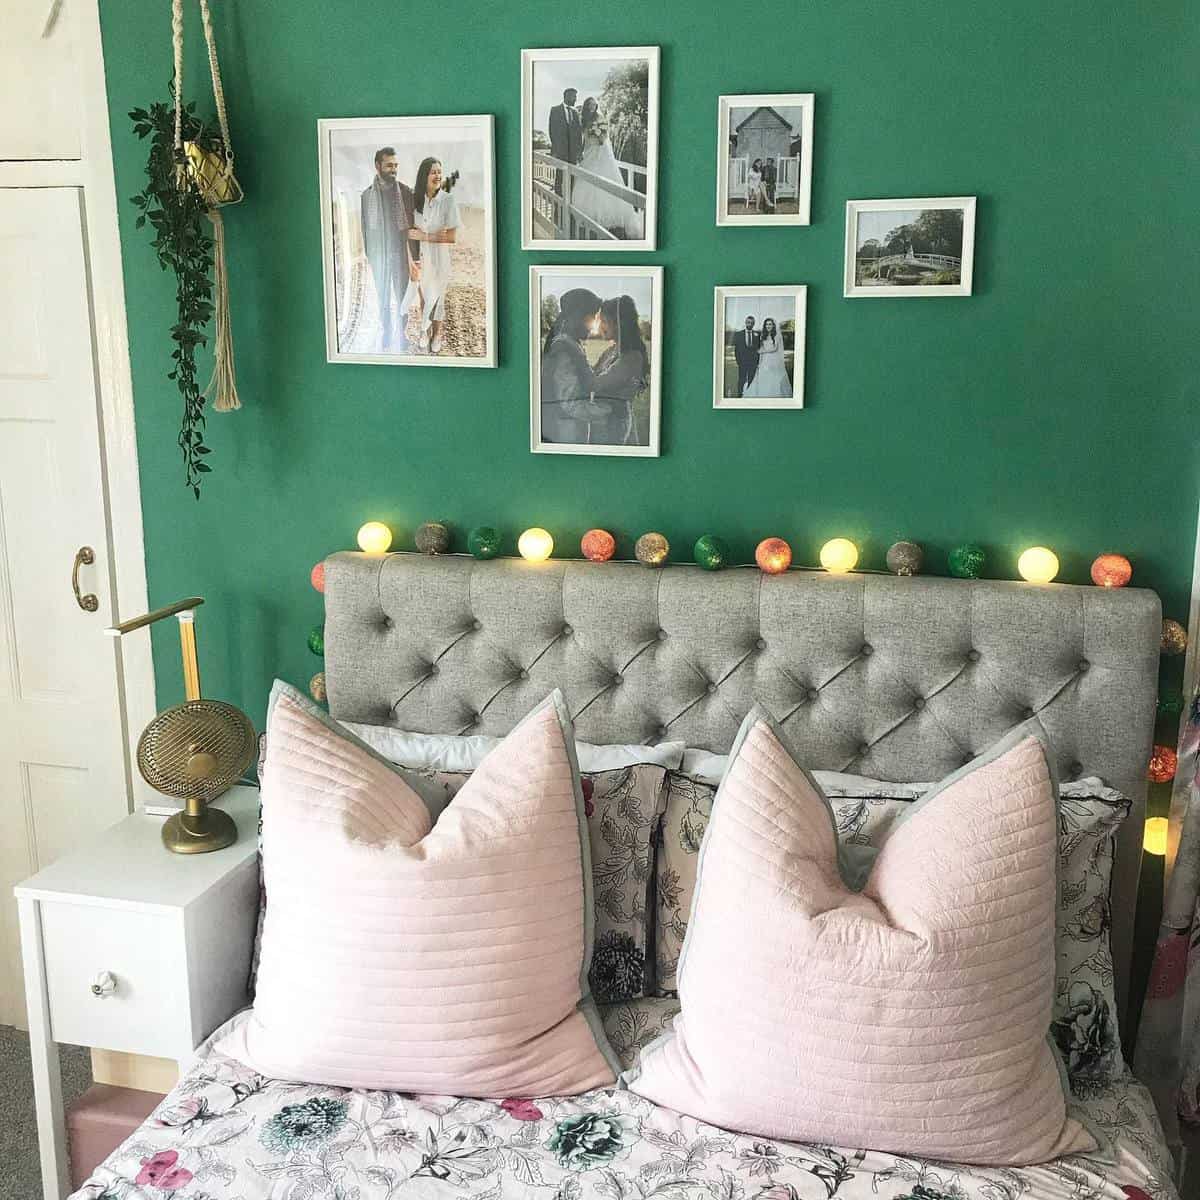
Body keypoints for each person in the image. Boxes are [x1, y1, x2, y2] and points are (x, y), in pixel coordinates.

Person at [360, 146, 418, 351]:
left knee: (402, 295)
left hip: (400, 254)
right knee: (382, 296)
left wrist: (415, 258)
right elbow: (365, 228)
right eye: (389, 165)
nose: (393, 169)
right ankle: (386, 331)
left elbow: (414, 228)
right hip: (379, 256)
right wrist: (371, 256)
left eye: (396, 165)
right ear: (378, 166)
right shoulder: (366, 196)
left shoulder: (406, 192)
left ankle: (401, 335)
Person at [405, 157, 458, 355]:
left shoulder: (447, 200)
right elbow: (409, 232)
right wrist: (411, 260)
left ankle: (437, 334)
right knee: (423, 297)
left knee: (437, 297)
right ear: (424, 175)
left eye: (439, 172)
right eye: (433, 172)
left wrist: (425, 235)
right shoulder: (414, 199)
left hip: (439, 256)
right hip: (421, 255)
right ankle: (424, 331)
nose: (437, 175)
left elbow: (452, 237)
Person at [571, 97, 643, 240]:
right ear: (586, 106)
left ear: (596, 105)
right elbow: (584, 138)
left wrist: (599, 135)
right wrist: (583, 149)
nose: (592, 107)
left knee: (605, 177)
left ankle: (607, 215)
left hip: (601, 152)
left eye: (593, 104)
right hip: (589, 151)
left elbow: (604, 138)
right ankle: (586, 213)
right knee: (586, 179)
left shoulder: (600, 117)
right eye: (589, 105)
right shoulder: (584, 118)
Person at [540, 288, 603, 442]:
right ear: (577, 317)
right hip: (568, 431)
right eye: (592, 318)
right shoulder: (564, 348)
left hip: (572, 427)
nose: (594, 325)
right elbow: (570, 404)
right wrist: (607, 411)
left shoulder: (571, 344)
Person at [592, 295, 649, 444]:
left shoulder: (631, 357)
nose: (600, 327)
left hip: (615, 423)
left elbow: (596, 383)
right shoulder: (612, 350)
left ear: (618, 323)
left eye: (604, 321)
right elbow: (592, 372)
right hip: (605, 420)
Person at [548, 87, 583, 199]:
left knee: (572, 177)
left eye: (576, 97)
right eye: (574, 96)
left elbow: (578, 133)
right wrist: (555, 149)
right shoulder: (555, 110)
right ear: (566, 96)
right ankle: (558, 200)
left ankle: (569, 199)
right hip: (560, 152)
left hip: (573, 153)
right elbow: (552, 130)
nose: (575, 99)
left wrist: (579, 151)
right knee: (559, 176)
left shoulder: (575, 112)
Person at [744, 317, 791, 398]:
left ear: (773, 325)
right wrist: (760, 361)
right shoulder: (763, 335)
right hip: (765, 359)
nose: (768, 326)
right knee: (762, 376)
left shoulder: (777, 335)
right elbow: (762, 348)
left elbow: (775, 348)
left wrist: (763, 351)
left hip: (774, 359)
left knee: (773, 377)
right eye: (766, 324)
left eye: (770, 324)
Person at [732, 315, 760, 397]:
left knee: (751, 379)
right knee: (741, 379)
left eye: (751, 323)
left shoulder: (757, 334)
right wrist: (738, 361)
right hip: (742, 362)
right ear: (745, 323)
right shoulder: (738, 334)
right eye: (748, 322)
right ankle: (739, 394)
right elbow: (736, 350)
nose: (749, 324)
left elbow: (758, 349)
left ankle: (749, 394)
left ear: (753, 324)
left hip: (753, 363)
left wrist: (757, 362)